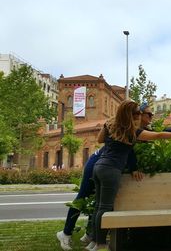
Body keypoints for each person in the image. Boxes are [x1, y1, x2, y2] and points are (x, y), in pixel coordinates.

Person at [89, 100, 171, 251]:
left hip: (98, 167)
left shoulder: (111, 125)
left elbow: (100, 139)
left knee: (98, 206)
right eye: (138, 113)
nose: (141, 115)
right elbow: (158, 135)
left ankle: (94, 241)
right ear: (131, 114)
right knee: (105, 207)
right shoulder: (132, 131)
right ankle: (100, 243)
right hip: (111, 170)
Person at [56, 102, 156, 251]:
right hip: (97, 163)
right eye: (148, 114)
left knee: (99, 201)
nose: (150, 117)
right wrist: (134, 167)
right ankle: (66, 233)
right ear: (137, 114)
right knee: (83, 197)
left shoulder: (133, 128)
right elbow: (127, 148)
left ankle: (91, 235)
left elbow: (129, 147)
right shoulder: (126, 126)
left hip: (103, 164)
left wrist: (134, 167)